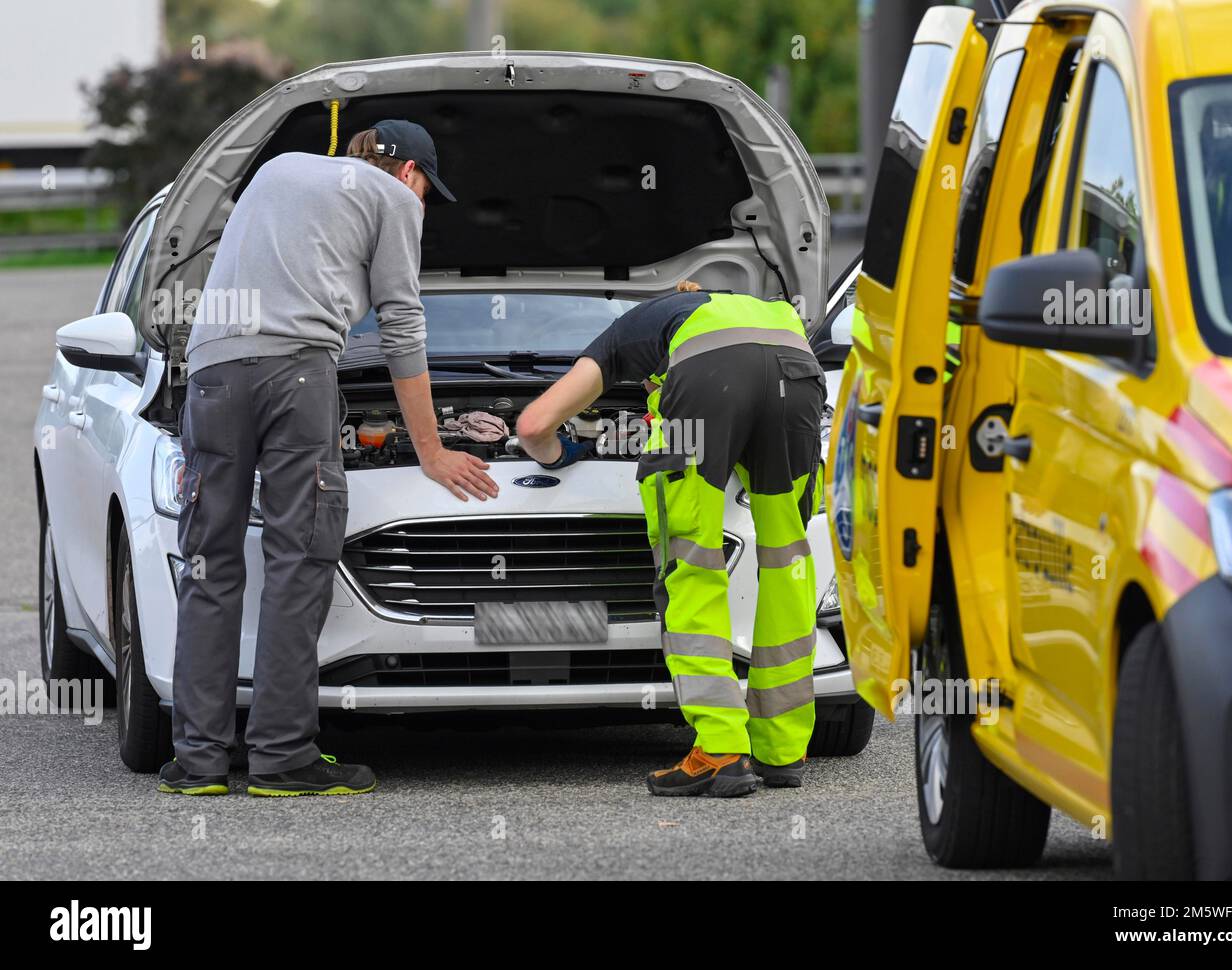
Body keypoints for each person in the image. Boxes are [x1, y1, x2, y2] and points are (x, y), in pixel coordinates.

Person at [159, 120, 498, 798]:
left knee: (209, 563)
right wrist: (430, 450)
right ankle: (282, 758)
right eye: (430, 191)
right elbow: (401, 324)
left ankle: (197, 762)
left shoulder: (280, 167)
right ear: (409, 174)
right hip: (297, 377)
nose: (423, 205)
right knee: (297, 561)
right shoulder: (395, 199)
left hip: (212, 375)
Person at [516, 282, 826, 797]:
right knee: (787, 558)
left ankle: (722, 747)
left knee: (692, 559)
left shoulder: (623, 333)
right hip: (798, 372)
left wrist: (558, 455)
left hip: (708, 384)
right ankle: (782, 747)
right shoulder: (746, 305)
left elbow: (532, 425)